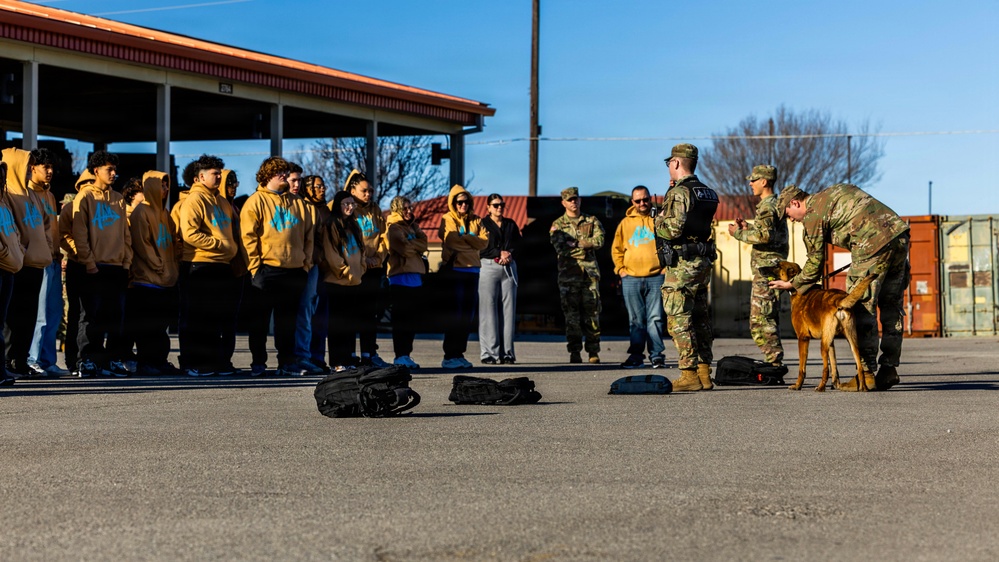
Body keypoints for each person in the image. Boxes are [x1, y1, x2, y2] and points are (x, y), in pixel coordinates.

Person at [769, 184, 910, 391]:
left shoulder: (812, 215)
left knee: (860, 305)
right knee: (892, 307)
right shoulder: (835, 191)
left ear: (795, 202)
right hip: (899, 236)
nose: (790, 219)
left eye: (788, 214)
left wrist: (792, 283)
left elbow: (815, 264)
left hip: (870, 245)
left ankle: (867, 374)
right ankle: (889, 368)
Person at [241, 156, 314, 377]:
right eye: (279, 173)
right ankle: (258, 363)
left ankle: (286, 363)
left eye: (285, 172)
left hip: (295, 271)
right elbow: (247, 238)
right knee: (260, 322)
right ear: (267, 176)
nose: (284, 176)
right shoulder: (255, 202)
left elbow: (309, 238)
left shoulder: (299, 204)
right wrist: (255, 269)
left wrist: (305, 266)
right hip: (266, 271)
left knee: (287, 323)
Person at [656, 143, 719, 391]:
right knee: (700, 317)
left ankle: (689, 374)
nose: (669, 167)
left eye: (669, 163)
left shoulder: (679, 193)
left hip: (682, 264)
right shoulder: (708, 192)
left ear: (676, 163)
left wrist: (657, 217)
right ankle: (705, 372)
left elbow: (672, 229)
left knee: (679, 317)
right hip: (702, 263)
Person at [72, 150, 132, 377]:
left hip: (116, 267)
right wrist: (88, 262)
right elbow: (80, 233)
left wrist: (126, 262)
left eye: (115, 170)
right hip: (94, 266)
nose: (114, 174)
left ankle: (112, 359)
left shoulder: (118, 198)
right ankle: (87, 360)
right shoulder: (85, 197)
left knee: (114, 316)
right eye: (109, 169)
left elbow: (125, 234)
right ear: (96, 171)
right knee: (90, 317)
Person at [177, 154, 239, 377]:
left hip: (222, 266)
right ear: (200, 177)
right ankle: (194, 363)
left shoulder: (222, 201)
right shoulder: (194, 200)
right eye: (214, 173)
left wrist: (229, 249)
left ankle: (213, 362)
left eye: (219, 173)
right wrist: (220, 245)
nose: (219, 176)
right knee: (198, 318)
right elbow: (190, 234)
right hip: (199, 266)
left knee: (216, 317)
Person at [728, 165, 789, 368]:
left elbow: (764, 236)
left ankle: (773, 362)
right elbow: (769, 234)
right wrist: (748, 228)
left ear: (764, 182)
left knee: (760, 320)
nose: (750, 183)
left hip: (767, 271)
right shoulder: (774, 204)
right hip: (769, 269)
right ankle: (773, 361)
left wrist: (737, 233)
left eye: (753, 180)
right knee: (766, 316)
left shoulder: (768, 206)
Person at [1, 148, 52, 379]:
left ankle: (20, 361)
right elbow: (12, 231)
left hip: (37, 264)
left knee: (29, 317)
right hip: (20, 264)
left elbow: (43, 225)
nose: (30, 169)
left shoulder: (31, 194)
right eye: (27, 164)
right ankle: (10, 361)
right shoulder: (8, 194)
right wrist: (21, 252)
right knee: (13, 318)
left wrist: (48, 248)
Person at [126, 171, 179, 376]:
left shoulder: (165, 214)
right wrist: (159, 265)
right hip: (147, 280)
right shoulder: (142, 212)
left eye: (167, 185)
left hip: (166, 280)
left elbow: (174, 242)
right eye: (162, 185)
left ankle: (160, 360)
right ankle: (146, 362)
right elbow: (142, 245)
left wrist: (172, 267)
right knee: (147, 326)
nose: (165, 189)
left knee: (161, 327)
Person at [612, 185, 666, 369]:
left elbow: (669, 243)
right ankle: (636, 356)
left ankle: (656, 355)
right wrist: (621, 270)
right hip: (631, 278)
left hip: (656, 276)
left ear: (650, 199)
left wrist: (665, 268)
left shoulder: (659, 219)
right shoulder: (625, 224)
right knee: (636, 320)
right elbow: (616, 249)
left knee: (656, 318)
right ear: (632, 202)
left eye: (645, 199)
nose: (642, 203)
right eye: (638, 200)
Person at [26, 148, 70, 377]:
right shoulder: (26, 194)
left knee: (54, 313)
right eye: (46, 167)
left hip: (53, 259)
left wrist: (57, 252)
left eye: (52, 167)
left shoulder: (51, 196)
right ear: (32, 168)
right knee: (40, 314)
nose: (50, 171)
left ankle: (47, 360)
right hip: (38, 261)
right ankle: (32, 358)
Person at [550, 187, 604, 364]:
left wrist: (577, 243)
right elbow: (561, 248)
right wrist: (585, 248)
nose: (573, 202)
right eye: (570, 200)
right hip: (568, 277)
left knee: (592, 314)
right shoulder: (558, 225)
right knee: (571, 317)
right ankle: (574, 351)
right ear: (563, 203)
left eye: (576, 199)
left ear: (580, 200)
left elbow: (599, 241)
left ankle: (593, 352)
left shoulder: (591, 220)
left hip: (589, 276)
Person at [342, 170, 390, 367]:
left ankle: (370, 354)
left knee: (369, 314)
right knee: (353, 314)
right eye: (364, 190)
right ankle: (351, 354)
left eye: (370, 190)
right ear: (352, 190)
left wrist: (377, 257)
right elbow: (346, 238)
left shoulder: (375, 209)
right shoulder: (347, 209)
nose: (368, 194)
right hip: (354, 269)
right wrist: (363, 259)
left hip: (374, 268)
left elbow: (384, 236)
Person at [438, 184, 489, 369]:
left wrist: (466, 239)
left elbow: (484, 242)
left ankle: (459, 354)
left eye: (466, 201)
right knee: (456, 315)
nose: (463, 205)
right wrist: (472, 243)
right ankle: (449, 355)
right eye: (459, 202)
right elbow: (452, 241)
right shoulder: (448, 218)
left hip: (473, 271)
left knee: (468, 316)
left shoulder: (477, 219)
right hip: (456, 272)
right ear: (453, 203)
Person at [321, 190, 366, 370]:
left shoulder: (354, 225)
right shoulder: (331, 225)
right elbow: (331, 253)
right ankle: (337, 361)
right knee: (337, 325)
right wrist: (345, 271)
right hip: (337, 282)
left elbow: (362, 251)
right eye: (345, 204)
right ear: (338, 206)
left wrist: (360, 269)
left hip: (354, 281)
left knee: (349, 324)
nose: (349, 207)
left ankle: (347, 359)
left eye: (352, 204)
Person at [478, 193, 521, 364]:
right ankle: (489, 353)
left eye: (502, 205)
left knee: (509, 311)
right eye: (495, 205)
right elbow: (479, 247)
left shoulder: (511, 224)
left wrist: (509, 253)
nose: (499, 208)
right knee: (488, 310)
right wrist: (498, 252)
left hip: (509, 268)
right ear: (488, 207)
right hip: (488, 266)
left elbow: (520, 244)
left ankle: (508, 353)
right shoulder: (482, 224)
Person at [384, 196, 427, 369]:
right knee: (401, 319)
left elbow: (424, 244)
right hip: (400, 279)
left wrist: (413, 243)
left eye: (410, 208)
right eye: (405, 209)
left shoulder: (413, 226)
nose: (409, 211)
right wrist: (414, 245)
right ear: (396, 210)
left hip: (415, 279)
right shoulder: (393, 228)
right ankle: (399, 355)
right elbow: (405, 249)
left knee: (412, 321)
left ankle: (407, 354)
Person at [59, 171, 92, 374]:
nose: (90, 185)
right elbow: (62, 235)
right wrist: (80, 253)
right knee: (74, 314)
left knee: (90, 315)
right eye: (86, 182)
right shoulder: (70, 208)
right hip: (76, 264)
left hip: (97, 264)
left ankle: (89, 356)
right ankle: (73, 357)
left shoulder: (103, 208)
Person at [299, 175, 331, 372]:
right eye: (318, 186)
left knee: (321, 316)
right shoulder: (302, 208)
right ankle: (306, 355)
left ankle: (319, 356)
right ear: (307, 188)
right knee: (307, 313)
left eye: (323, 185)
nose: (322, 189)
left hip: (327, 269)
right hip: (310, 265)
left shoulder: (326, 210)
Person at [0, 161, 25, 386]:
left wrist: (18, 250)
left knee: (1, 323)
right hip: (3, 264)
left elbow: (14, 231)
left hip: (8, 268)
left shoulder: (5, 203)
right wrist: (7, 252)